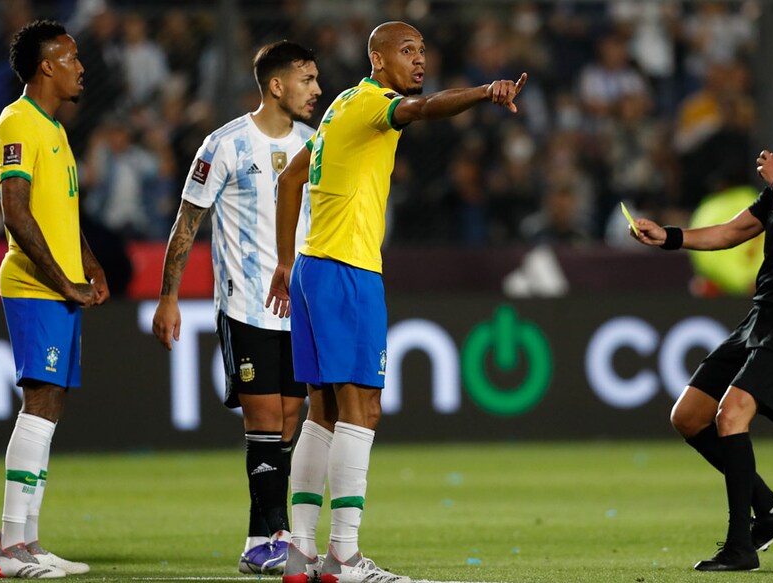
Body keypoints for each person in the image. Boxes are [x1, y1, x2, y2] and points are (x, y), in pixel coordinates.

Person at [266, 21, 526, 583]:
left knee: (324, 411)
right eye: (406, 51)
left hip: (314, 265)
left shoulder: (338, 108)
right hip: (347, 269)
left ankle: (301, 553)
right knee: (363, 409)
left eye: (423, 51)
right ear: (377, 59)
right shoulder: (374, 103)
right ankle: (343, 555)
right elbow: (426, 109)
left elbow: (290, 180)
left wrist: (287, 262)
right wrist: (485, 91)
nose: (419, 60)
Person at [630, 95, 773, 572]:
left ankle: (740, 547)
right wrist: (669, 237)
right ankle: (772, 510)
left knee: (731, 413)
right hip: (761, 316)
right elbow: (731, 232)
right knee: (688, 415)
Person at [150, 40, 321, 576]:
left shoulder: (316, 143)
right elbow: (187, 223)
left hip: (301, 308)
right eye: (307, 79)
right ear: (276, 85)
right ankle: (275, 534)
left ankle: (259, 537)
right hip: (246, 304)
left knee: (292, 417)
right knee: (265, 417)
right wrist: (169, 294)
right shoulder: (223, 144)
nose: (317, 90)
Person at [0, 19, 107, 579]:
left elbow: (59, 213)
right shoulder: (18, 124)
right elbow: (16, 213)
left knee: (50, 409)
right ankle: (10, 548)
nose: (81, 66)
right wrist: (63, 282)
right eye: (72, 57)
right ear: (46, 67)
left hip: (58, 286)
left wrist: (88, 262)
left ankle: (29, 542)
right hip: (35, 288)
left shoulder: (54, 131)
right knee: (38, 407)